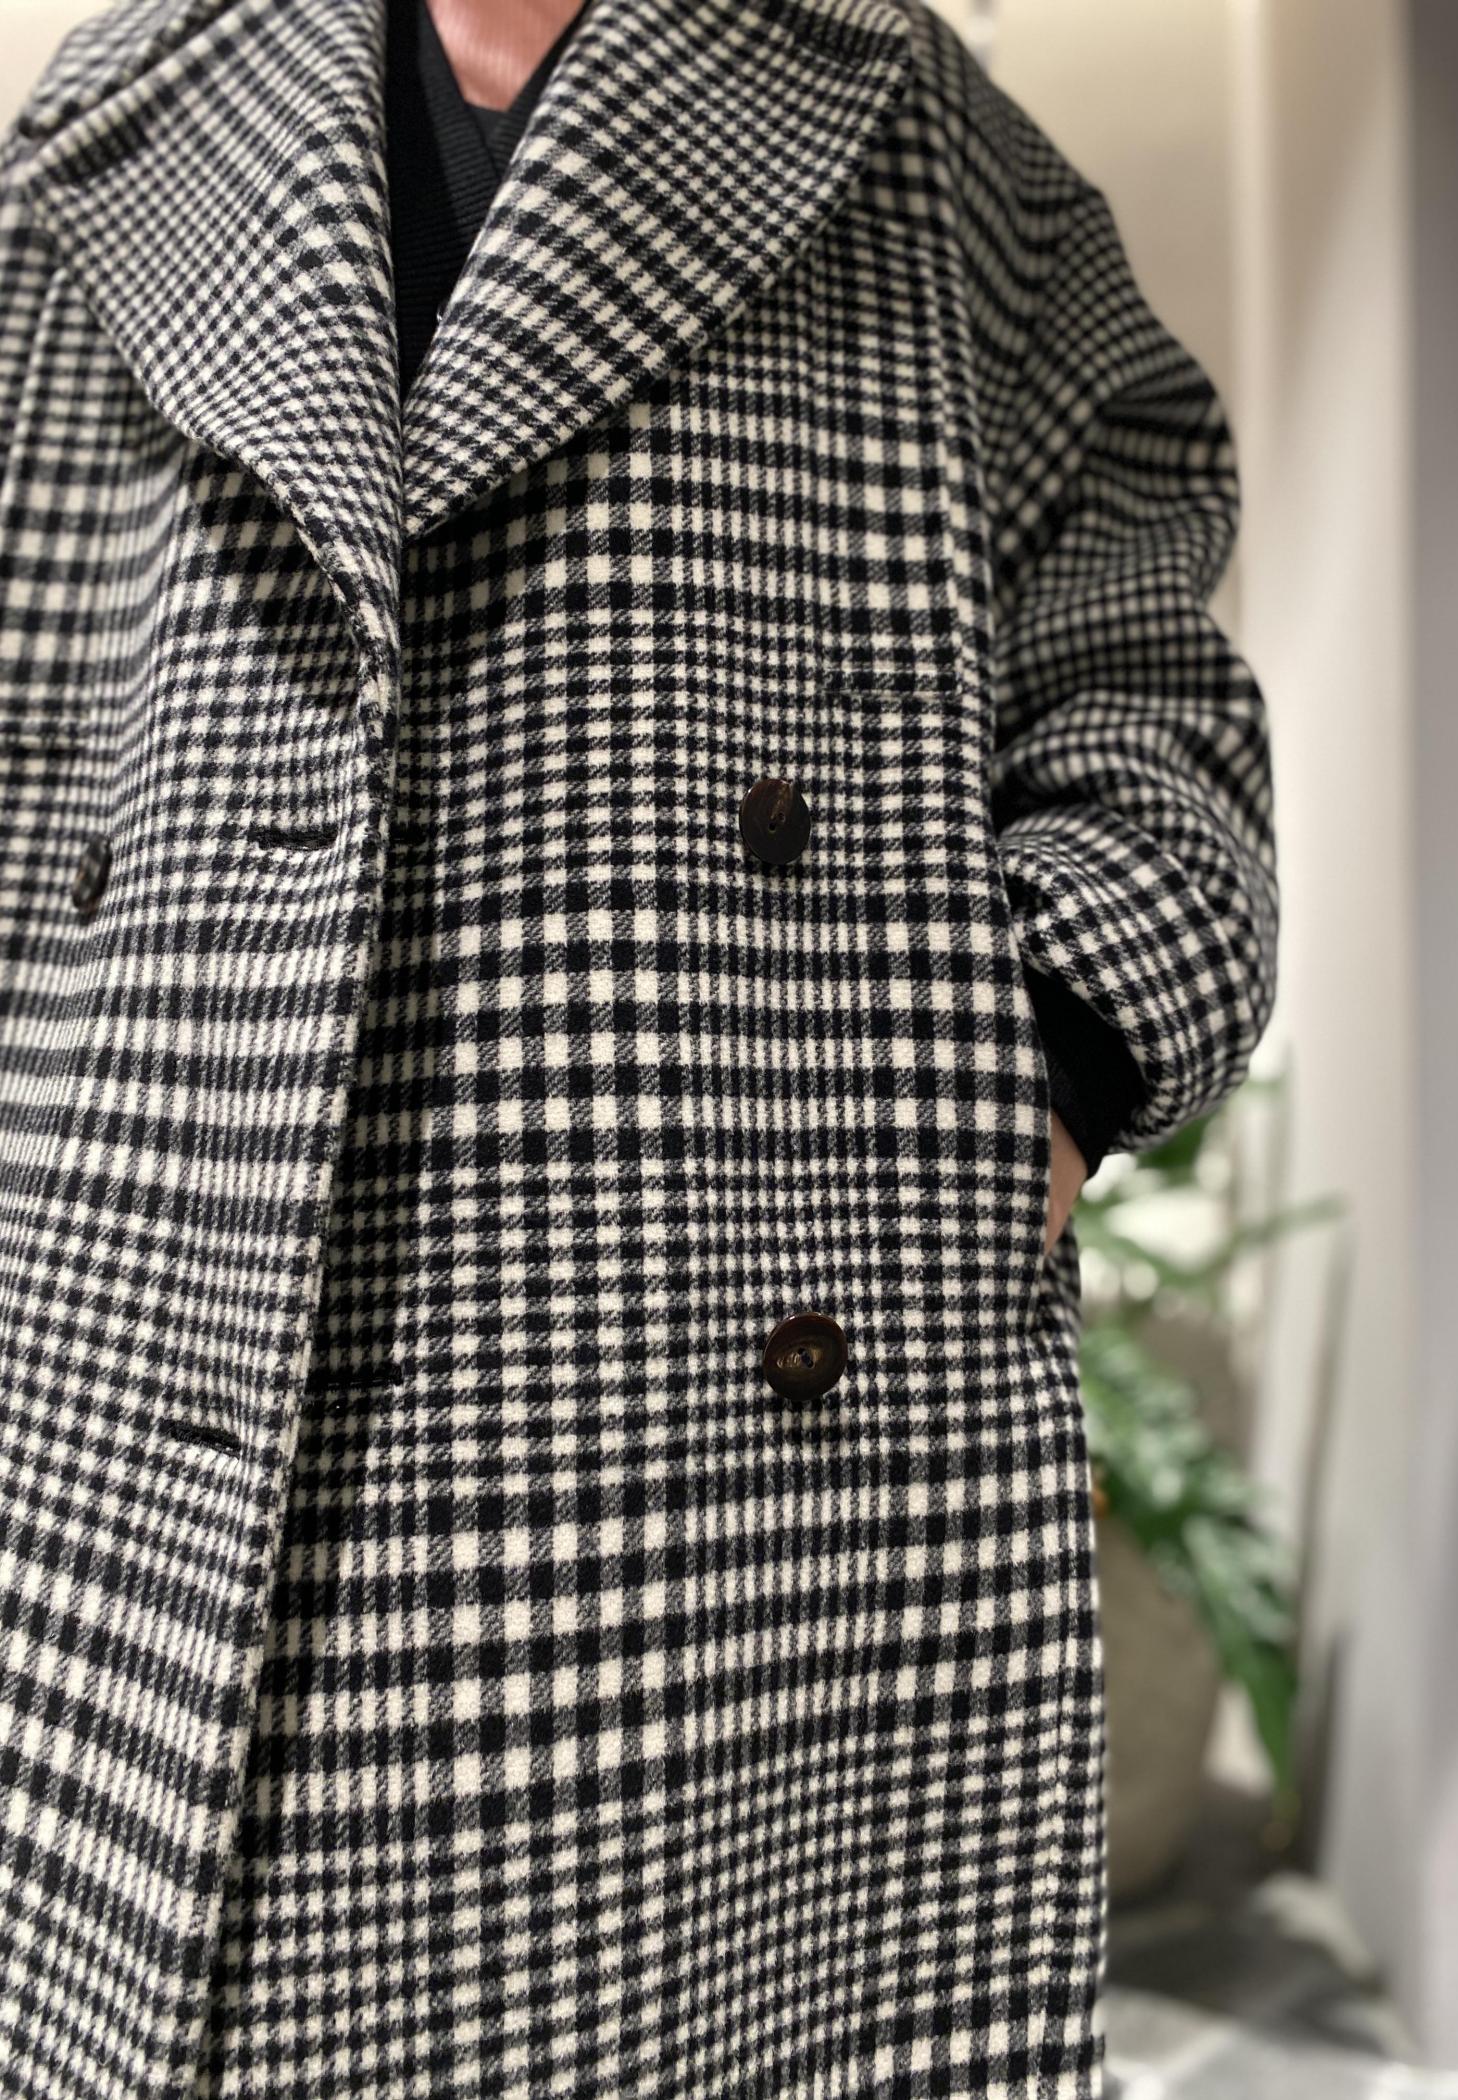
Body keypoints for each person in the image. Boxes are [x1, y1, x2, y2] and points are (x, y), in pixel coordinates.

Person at [0, 0, 1278, 2094]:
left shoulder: (923, 145)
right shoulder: (120, 129)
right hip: (150, 1371)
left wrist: (1039, 1070)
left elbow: (1149, 697)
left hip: (724, 1496)